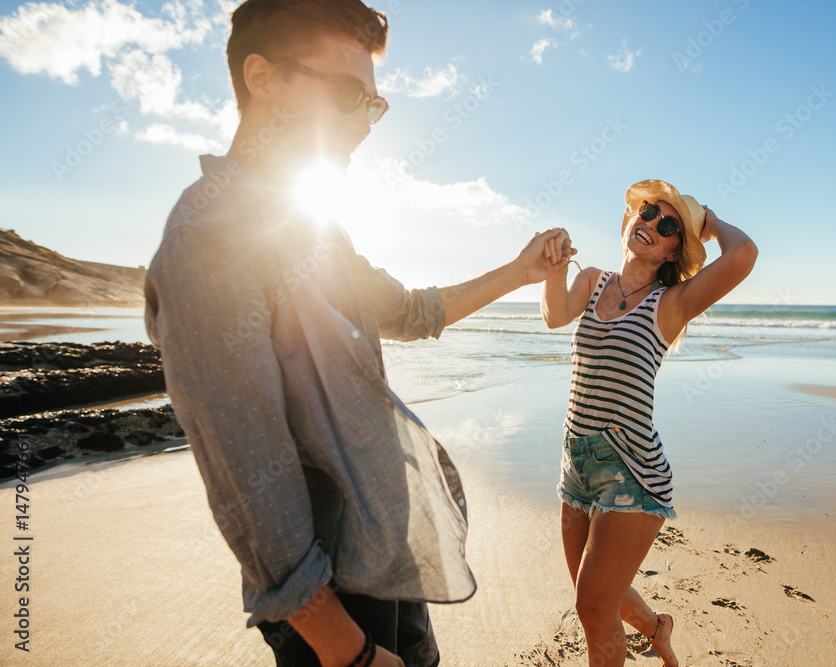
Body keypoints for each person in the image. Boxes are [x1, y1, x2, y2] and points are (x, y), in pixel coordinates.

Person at [142, 1, 575, 666]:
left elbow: (414, 311)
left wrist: (520, 271)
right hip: (334, 602)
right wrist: (350, 652)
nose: (365, 124)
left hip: (383, 552)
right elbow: (250, 481)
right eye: (348, 95)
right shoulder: (209, 238)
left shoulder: (312, 230)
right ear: (263, 78)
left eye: (376, 106)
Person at [540, 179, 758, 667]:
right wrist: (554, 271)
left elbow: (743, 253)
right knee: (597, 593)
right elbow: (555, 315)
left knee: (592, 607)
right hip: (575, 464)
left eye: (667, 226)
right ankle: (660, 627)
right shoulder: (592, 279)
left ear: (674, 251)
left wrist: (710, 220)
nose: (650, 224)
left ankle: (651, 633)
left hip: (633, 473)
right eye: (646, 212)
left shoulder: (673, 303)